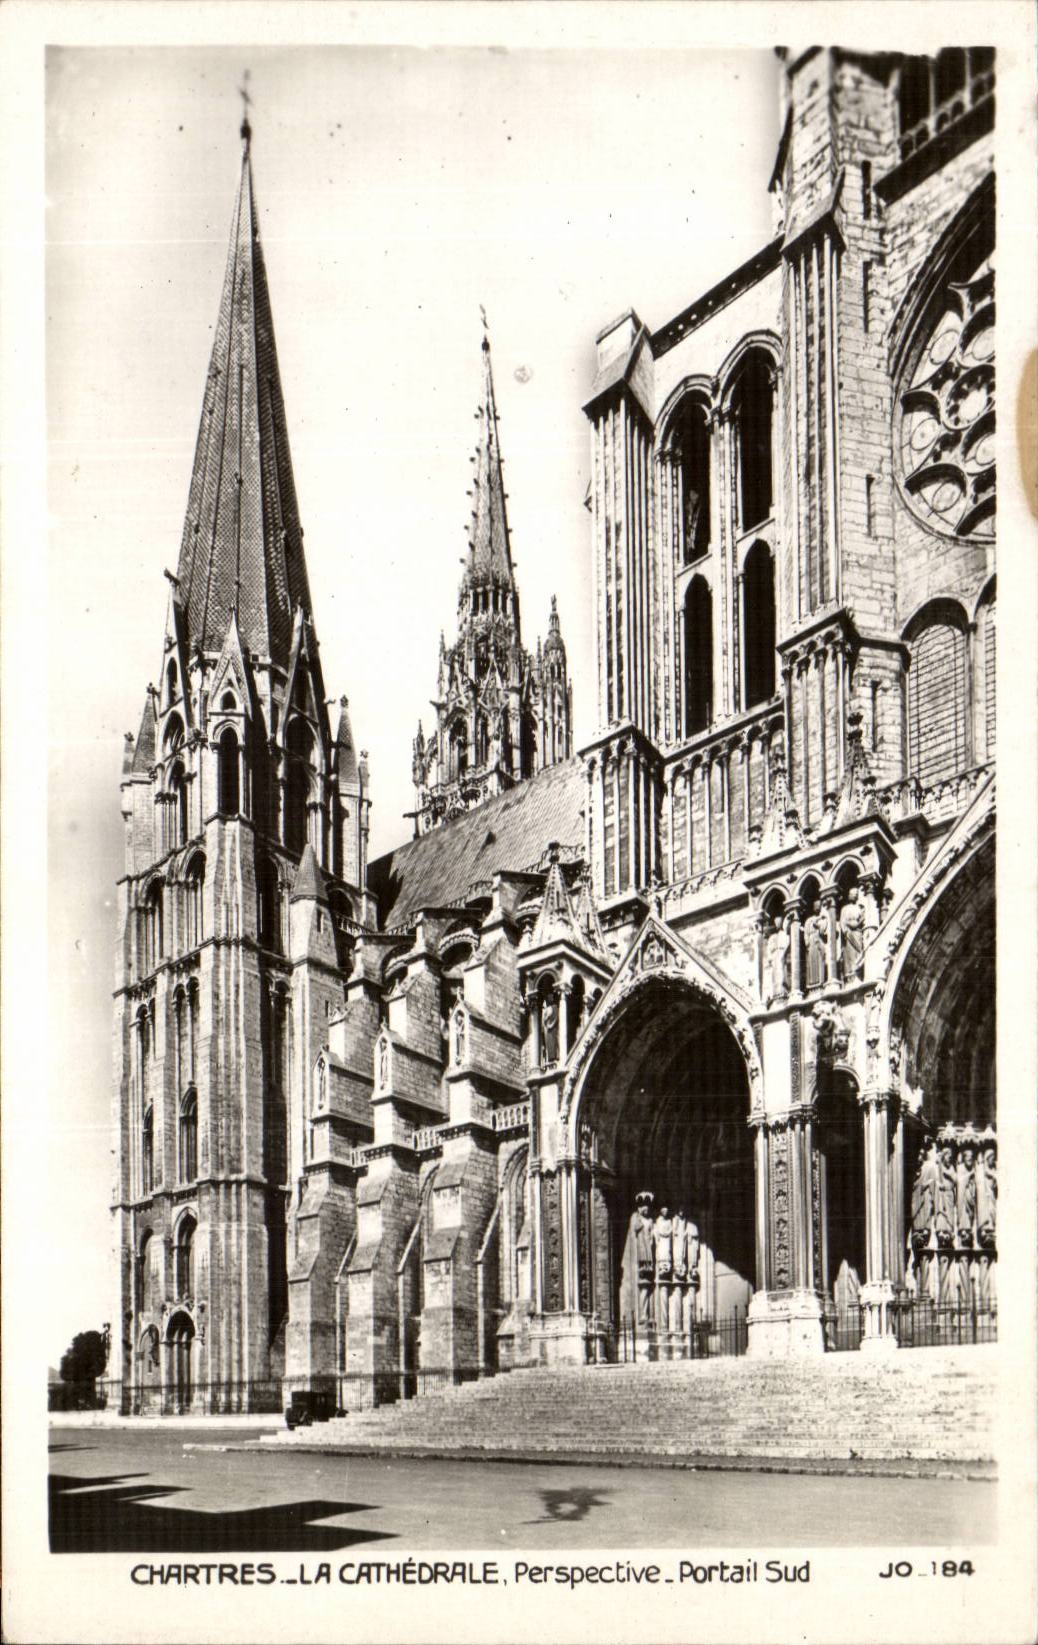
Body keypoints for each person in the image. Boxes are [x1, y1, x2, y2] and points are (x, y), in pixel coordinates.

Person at [619, 1191, 655, 1328]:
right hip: (639, 1249)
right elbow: (634, 1228)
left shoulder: (649, 1220)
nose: (646, 1209)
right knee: (642, 1280)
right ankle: (641, 1317)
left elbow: (652, 1234)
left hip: (648, 1248)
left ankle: (646, 1317)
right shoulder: (635, 1217)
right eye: (643, 1207)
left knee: (647, 1281)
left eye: (647, 1207)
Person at [839, 885, 865, 980]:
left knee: (858, 954)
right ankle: (850, 976)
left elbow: (861, 922)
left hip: (857, 934)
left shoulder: (859, 908)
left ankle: (858, 974)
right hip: (849, 935)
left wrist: (857, 924)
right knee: (849, 955)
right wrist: (846, 930)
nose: (854, 896)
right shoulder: (845, 909)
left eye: (856, 894)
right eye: (852, 894)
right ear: (849, 895)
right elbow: (843, 922)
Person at [804, 900, 828, 989]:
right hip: (811, 942)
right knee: (811, 961)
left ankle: (821, 981)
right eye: (815, 905)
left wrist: (818, 925)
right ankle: (812, 983)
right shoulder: (809, 920)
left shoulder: (823, 919)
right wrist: (807, 941)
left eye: (819, 905)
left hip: (819, 940)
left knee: (820, 959)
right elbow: (806, 932)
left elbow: (823, 931)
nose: (817, 907)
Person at [766, 917, 790, 1002]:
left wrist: (783, 953)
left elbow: (787, 943)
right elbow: (769, 948)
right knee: (775, 974)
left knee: (781, 972)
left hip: (781, 954)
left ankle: (783, 990)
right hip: (775, 956)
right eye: (776, 922)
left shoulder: (784, 934)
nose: (777, 924)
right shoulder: (773, 936)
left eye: (779, 922)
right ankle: (776, 992)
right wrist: (770, 956)